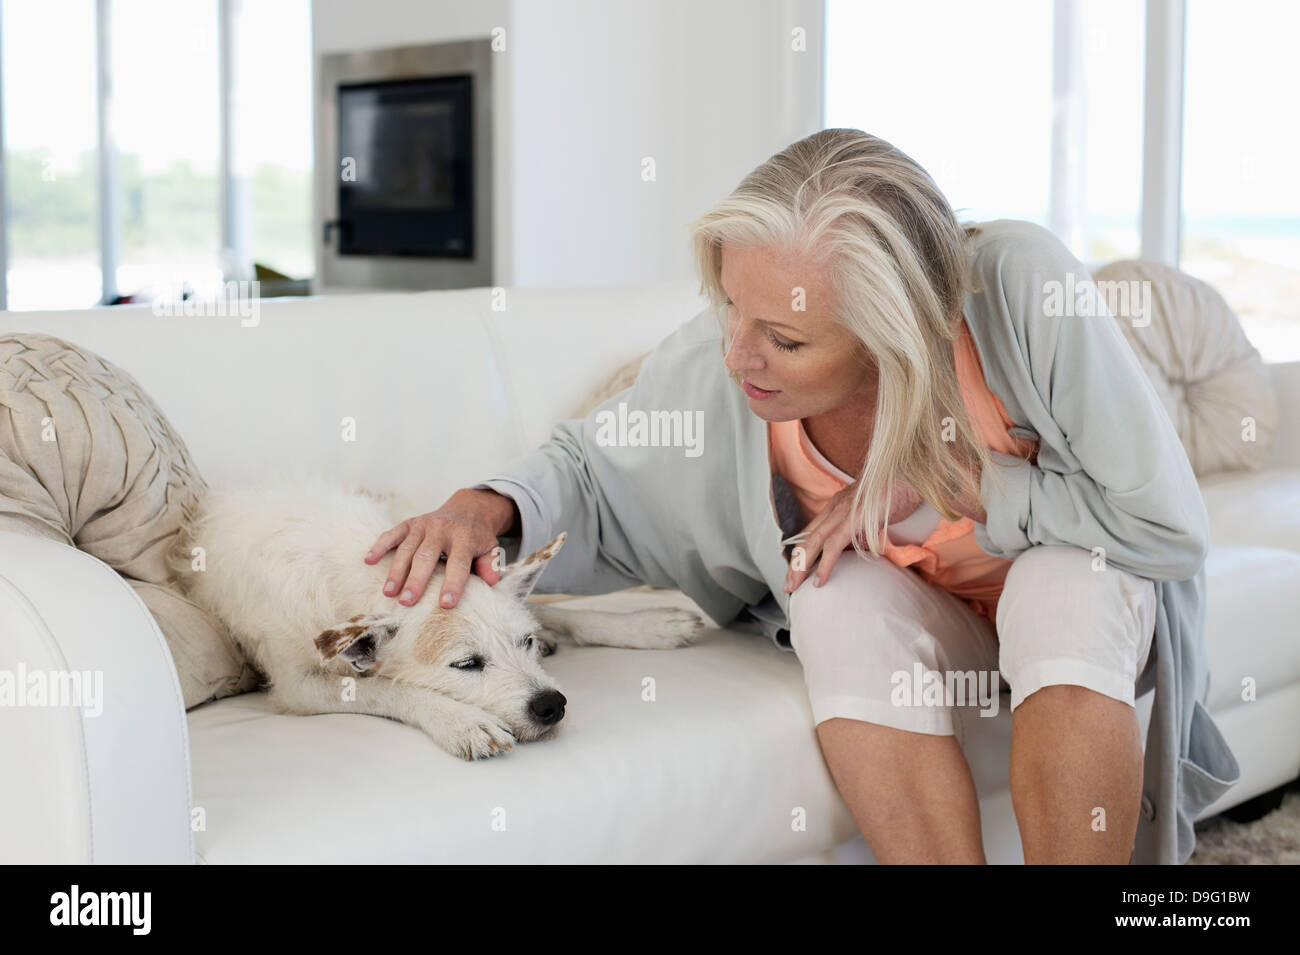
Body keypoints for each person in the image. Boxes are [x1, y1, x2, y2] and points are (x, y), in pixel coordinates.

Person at [363, 128, 1238, 864]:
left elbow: (1164, 527)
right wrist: (486, 507)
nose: (739, 355)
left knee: (1063, 583)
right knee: (829, 595)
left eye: (783, 337)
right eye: (729, 311)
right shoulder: (727, 368)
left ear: (895, 331)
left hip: (1075, 632)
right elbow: (593, 464)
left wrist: (960, 490)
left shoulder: (1016, 290)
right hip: (948, 635)